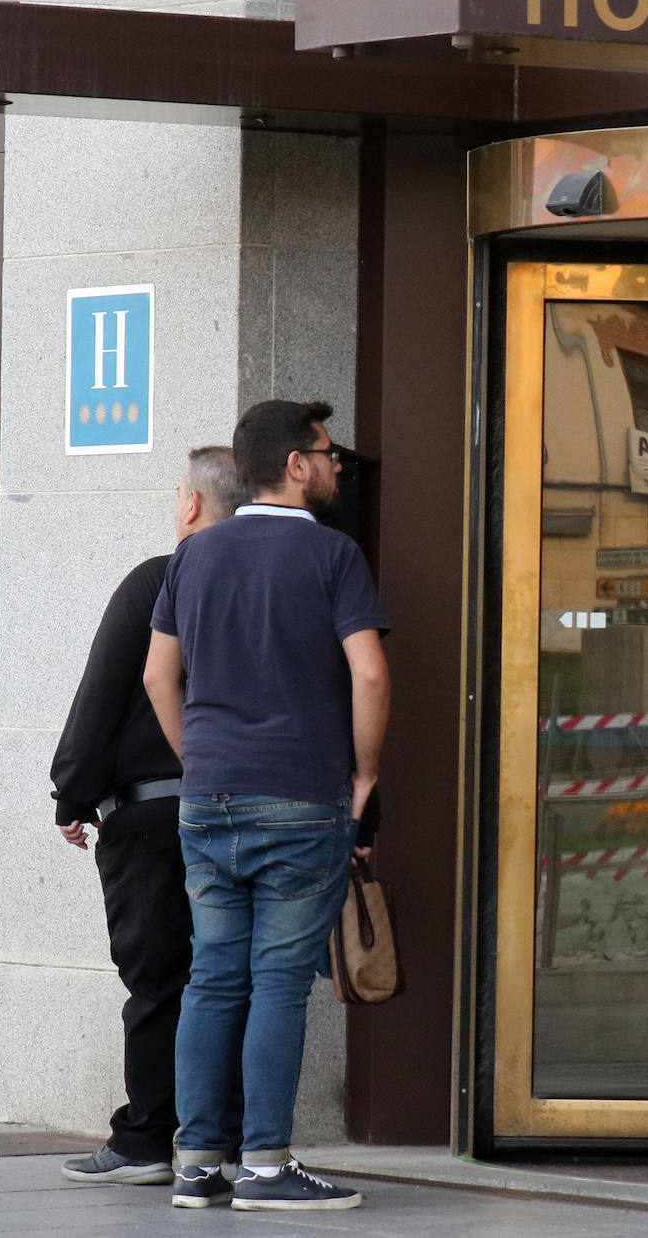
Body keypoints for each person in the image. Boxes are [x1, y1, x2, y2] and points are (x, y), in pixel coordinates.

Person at [144, 399, 391, 1212]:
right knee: (280, 981)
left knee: (213, 976)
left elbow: (158, 678)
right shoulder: (334, 556)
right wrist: (364, 775)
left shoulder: (194, 556)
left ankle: (194, 1163)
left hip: (208, 798)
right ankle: (266, 1164)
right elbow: (369, 674)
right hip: (300, 795)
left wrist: (203, 761)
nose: (336, 466)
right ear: (294, 463)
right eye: (326, 454)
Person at [54, 446, 244, 1186]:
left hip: (151, 817)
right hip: (244, 811)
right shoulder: (267, 582)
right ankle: (223, 1139)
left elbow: (101, 694)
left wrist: (71, 793)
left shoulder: (156, 580)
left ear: (193, 504)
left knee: (158, 979)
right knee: (230, 978)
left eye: (177, 493)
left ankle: (144, 1141)